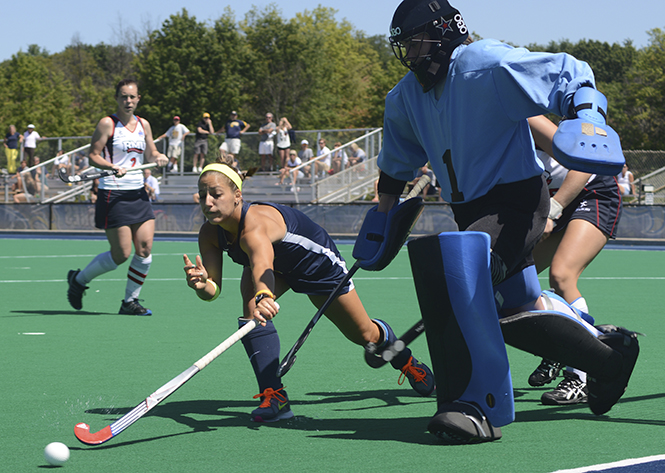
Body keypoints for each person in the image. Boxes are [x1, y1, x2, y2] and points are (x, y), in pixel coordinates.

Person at [364, 0, 639, 443]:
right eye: (405, 47)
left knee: (460, 275)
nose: (412, 54)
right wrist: (381, 215)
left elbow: (569, 71)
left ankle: (473, 405)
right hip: (470, 210)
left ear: (444, 31)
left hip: (516, 201)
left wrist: (588, 116)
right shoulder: (405, 97)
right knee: (520, 306)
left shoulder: (486, 62)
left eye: (417, 42)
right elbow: (396, 162)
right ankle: (610, 359)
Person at [183, 158, 435, 423]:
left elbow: (262, 263)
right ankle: (274, 396)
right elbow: (212, 290)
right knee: (250, 313)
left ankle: (405, 360)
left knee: (365, 335)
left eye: (216, 194)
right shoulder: (210, 233)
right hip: (277, 270)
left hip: (316, 266)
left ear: (237, 195)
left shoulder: (254, 227)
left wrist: (265, 295)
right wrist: (202, 285)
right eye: (202, 196)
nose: (208, 202)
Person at [527, 115, 623, 405]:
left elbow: (582, 164)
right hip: (554, 202)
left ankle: (580, 376)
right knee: (520, 279)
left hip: (592, 194)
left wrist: (553, 210)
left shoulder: (527, 118)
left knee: (562, 275)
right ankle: (559, 349)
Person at [66, 78, 168, 316]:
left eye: (132, 96)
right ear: (117, 98)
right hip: (113, 192)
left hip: (138, 193)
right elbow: (93, 155)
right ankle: (79, 280)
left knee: (144, 249)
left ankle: (130, 302)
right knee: (120, 254)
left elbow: (151, 150)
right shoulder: (107, 124)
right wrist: (111, 166)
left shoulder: (144, 124)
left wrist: (159, 155)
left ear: (138, 98)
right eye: (124, 96)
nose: (128, 101)